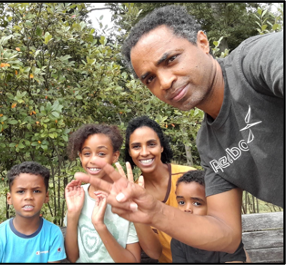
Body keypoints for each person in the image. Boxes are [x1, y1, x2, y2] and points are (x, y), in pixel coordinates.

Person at [74, 4, 283, 255]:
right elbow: (226, 234)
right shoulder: (209, 145)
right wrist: (155, 212)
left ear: (202, 42)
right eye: (150, 78)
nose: (165, 82)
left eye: (171, 59)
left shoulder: (255, 62)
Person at [64, 124, 141, 262]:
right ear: (80, 156)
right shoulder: (78, 196)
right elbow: (73, 257)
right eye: (87, 153)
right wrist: (72, 214)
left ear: (115, 156)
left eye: (101, 154)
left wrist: (100, 226)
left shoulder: (126, 199)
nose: (93, 160)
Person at [123, 115, 195, 262]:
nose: (144, 152)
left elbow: (223, 230)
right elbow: (155, 253)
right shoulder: (133, 193)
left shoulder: (189, 177)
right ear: (130, 152)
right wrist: (134, 208)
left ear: (161, 146)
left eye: (151, 144)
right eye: (136, 146)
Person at [0, 161, 66, 263]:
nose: (28, 197)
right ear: (9, 198)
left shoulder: (53, 233)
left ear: (46, 197)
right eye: (21, 191)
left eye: (36, 191)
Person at [171, 170, 250, 263]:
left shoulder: (226, 236)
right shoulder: (178, 239)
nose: (187, 209)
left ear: (213, 205)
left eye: (197, 203)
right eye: (181, 202)